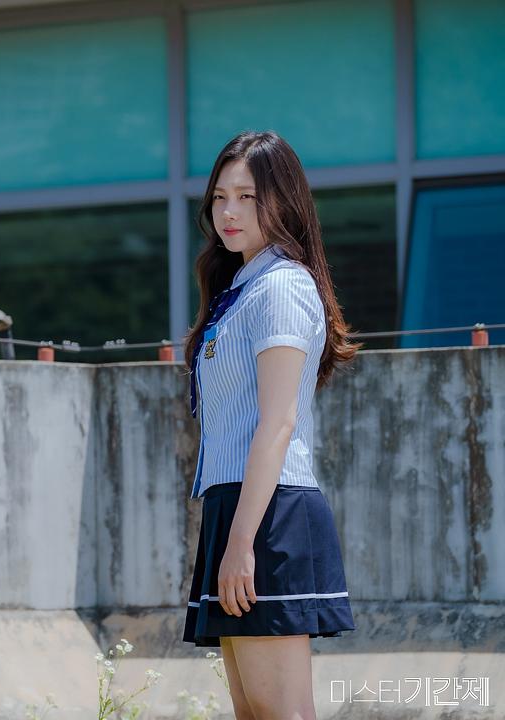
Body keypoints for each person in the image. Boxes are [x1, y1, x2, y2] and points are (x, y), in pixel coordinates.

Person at [181, 130, 357, 720]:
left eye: (247, 197)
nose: (228, 212)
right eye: (219, 197)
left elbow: (278, 424)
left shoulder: (281, 285)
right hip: (237, 506)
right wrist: (230, 534)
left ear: (282, 200)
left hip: (268, 515)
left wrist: (241, 544)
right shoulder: (240, 288)